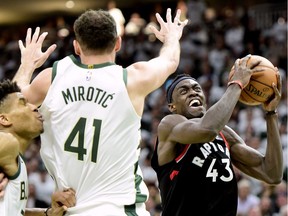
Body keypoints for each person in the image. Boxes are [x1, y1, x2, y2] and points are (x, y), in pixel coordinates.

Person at [13, 8, 188, 215]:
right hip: (119, 210)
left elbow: (11, 106)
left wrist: (26, 65)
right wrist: (172, 37)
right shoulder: (133, 79)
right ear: (118, 43)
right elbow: (170, 61)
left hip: (71, 208)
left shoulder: (51, 78)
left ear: (77, 47)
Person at [151, 55, 283, 216]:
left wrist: (271, 113)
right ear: (172, 107)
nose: (193, 93)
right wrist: (237, 83)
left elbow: (272, 173)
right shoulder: (169, 124)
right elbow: (207, 130)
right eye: (184, 91)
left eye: (197, 89)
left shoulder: (225, 134)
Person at [0, 80, 76, 216]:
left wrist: (47, 213)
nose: (34, 107)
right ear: (4, 119)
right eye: (23, 103)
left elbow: (17, 211)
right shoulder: (8, 142)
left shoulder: (15, 158)